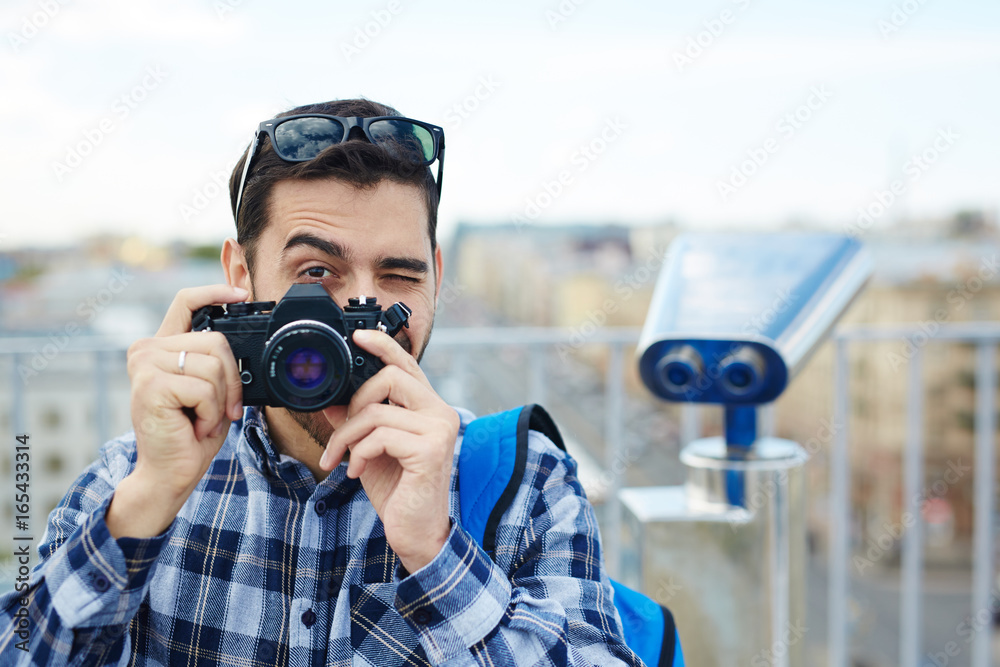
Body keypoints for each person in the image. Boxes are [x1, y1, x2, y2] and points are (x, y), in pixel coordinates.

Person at [0, 98, 642, 666]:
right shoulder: (135, 476)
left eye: (399, 277)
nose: (359, 315)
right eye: (316, 272)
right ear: (241, 276)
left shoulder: (524, 485)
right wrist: (144, 504)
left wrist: (438, 556)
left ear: (436, 279)